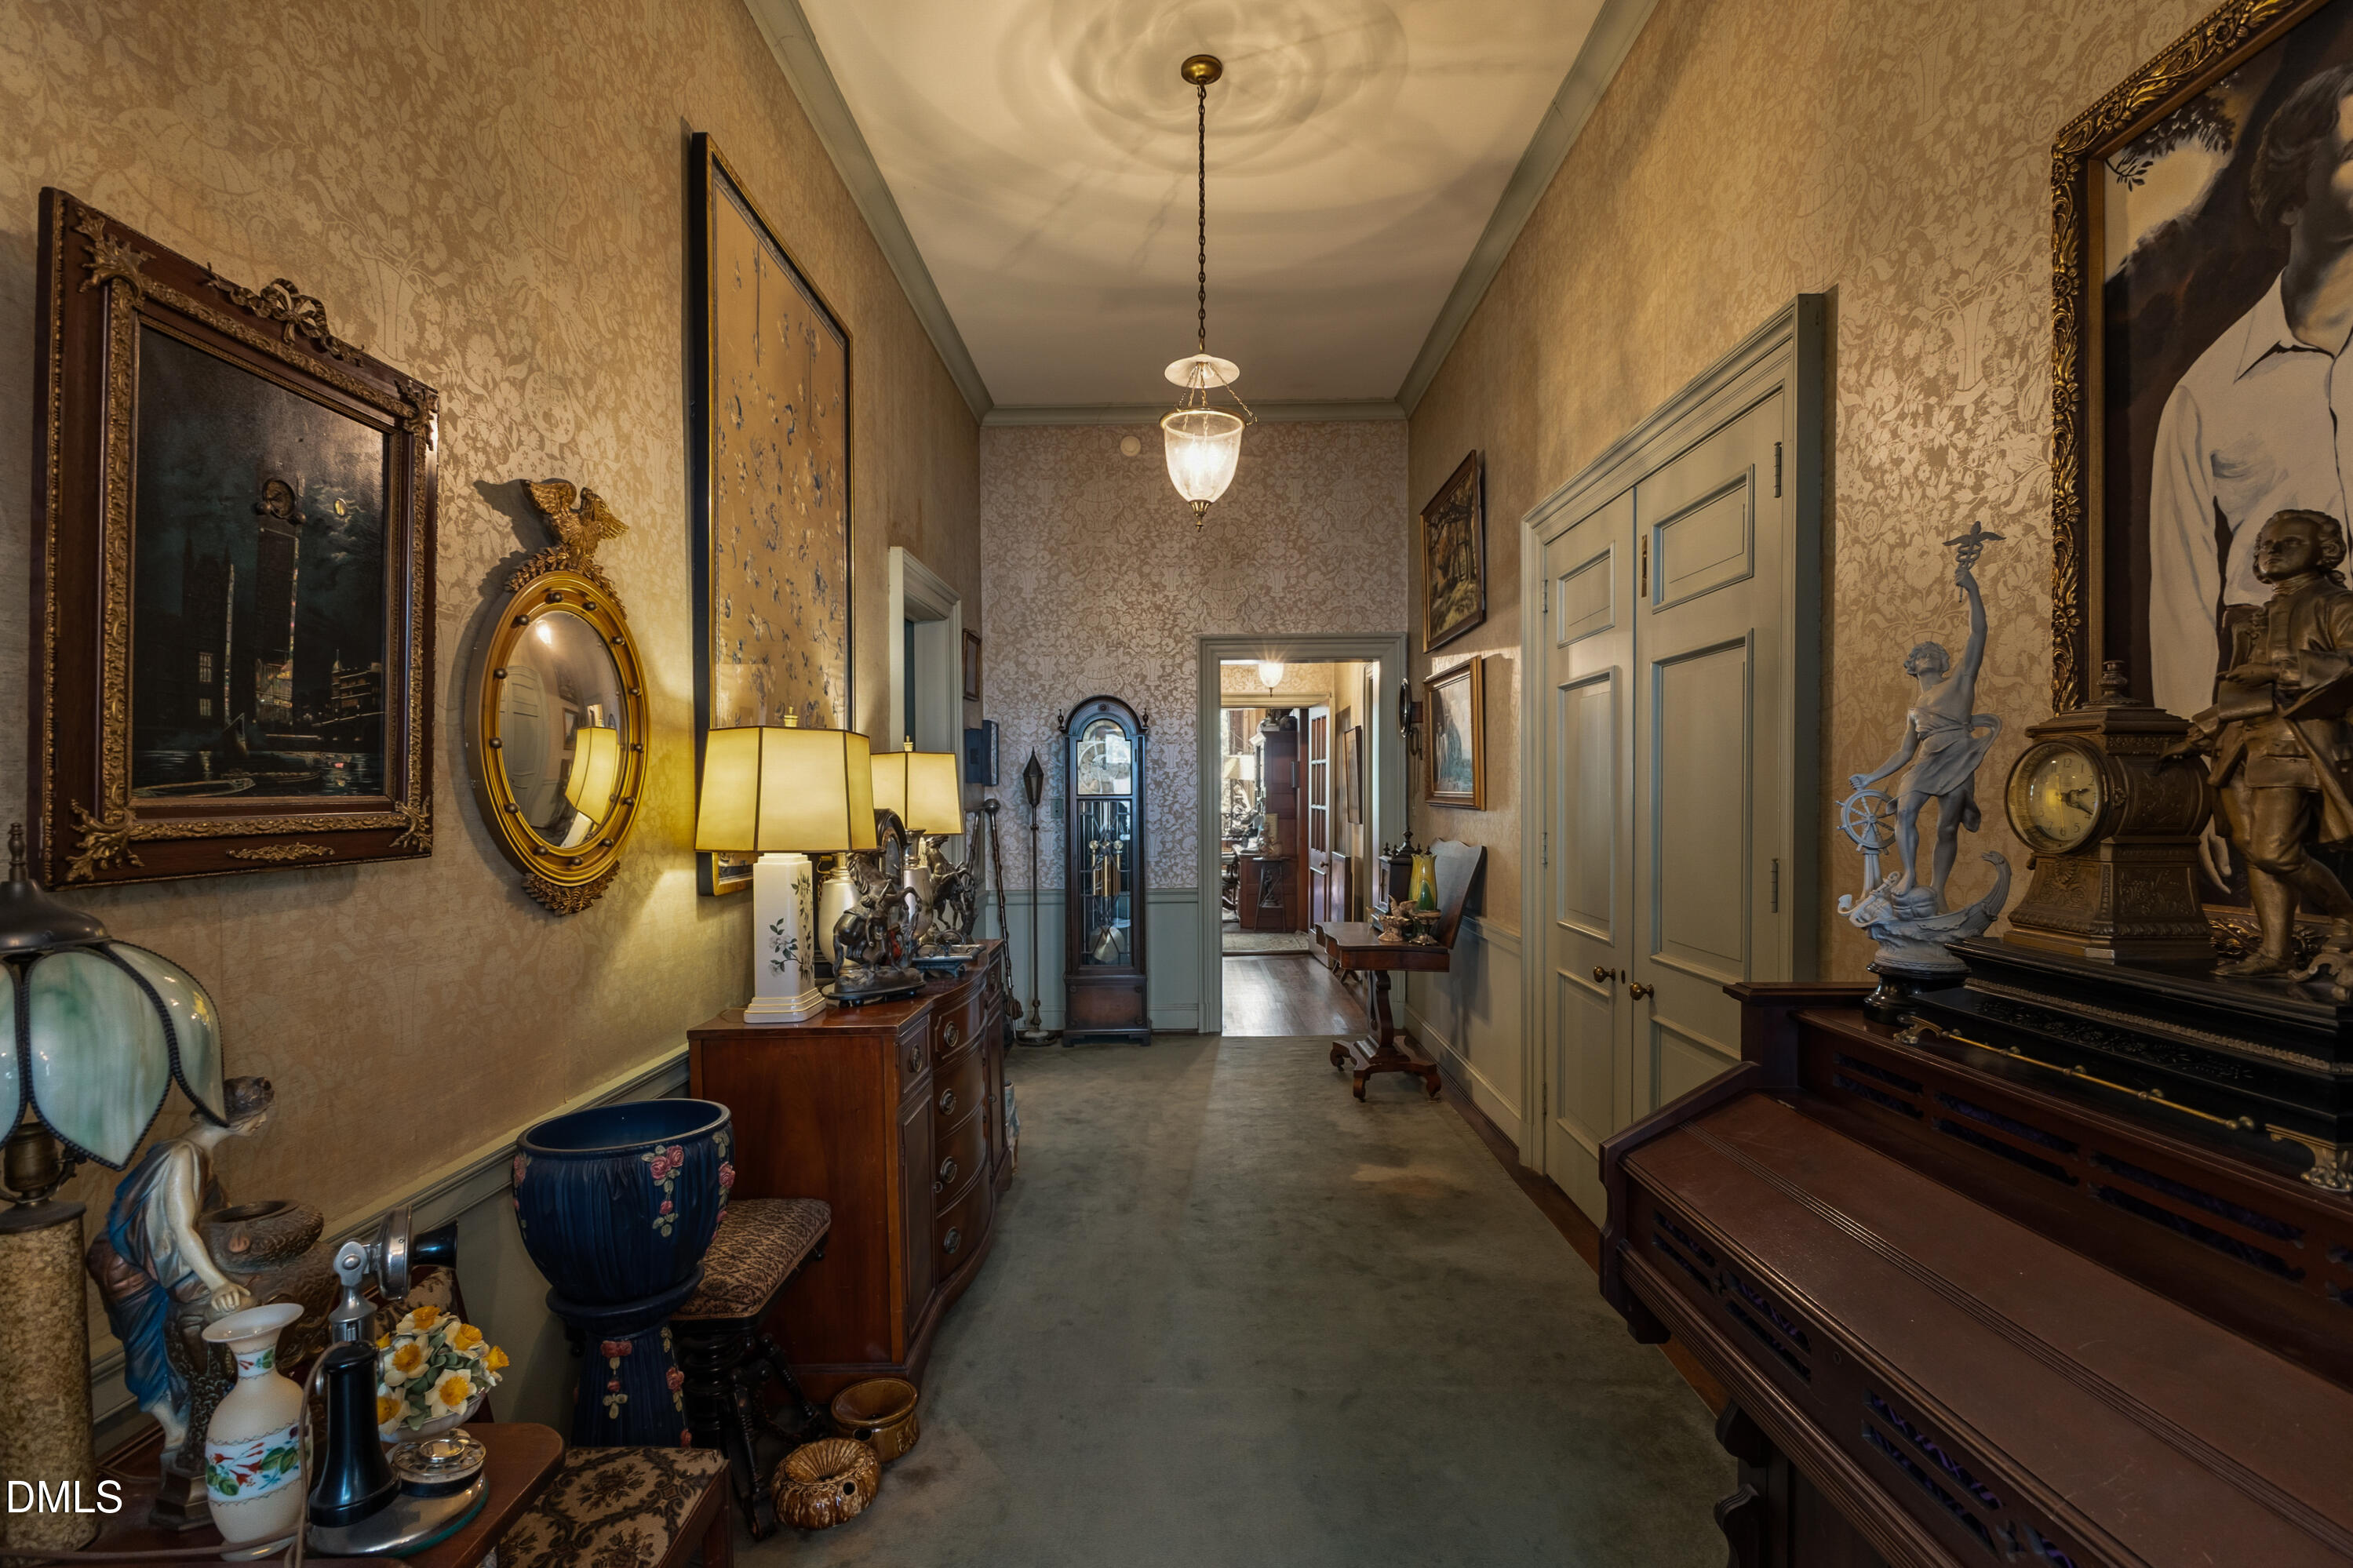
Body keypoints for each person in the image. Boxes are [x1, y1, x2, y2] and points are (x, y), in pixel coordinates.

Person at [2149, 63, 2353, 729]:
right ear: (2293, 197)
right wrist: (2194, 791)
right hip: (2279, 727)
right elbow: (2180, 609)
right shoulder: (2201, 397)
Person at [2184, 509, 2353, 975]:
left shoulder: (2336, 604)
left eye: (2289, 543)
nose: (2271, 550)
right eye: (2265, 544)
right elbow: (2247, 691)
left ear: (2326, 552)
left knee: (2273, 850)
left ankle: (2347, 915)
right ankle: (2274, 952)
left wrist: (2279, 670)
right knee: (2252, 851)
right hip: (2241, 745)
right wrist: (2206, 726)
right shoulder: (2257, 616)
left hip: (2293, 748)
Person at [86, 1077, 273, 1456]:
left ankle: (208, 1413)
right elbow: (180, 1229)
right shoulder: (180, 1156)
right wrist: (217, 1283)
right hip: (130, 1268)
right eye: (258, 1114)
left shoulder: (201, 1154)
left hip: (157, 1260)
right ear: (231, 1119)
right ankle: (176, 1429)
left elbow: (211, 1216)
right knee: (149, 1347)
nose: (264, 1121)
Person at [1849, 560, 2001, 902]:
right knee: (1904, 809)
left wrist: (1973, 589)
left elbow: (1979, 633)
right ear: (1912, 667)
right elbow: (1905, 752)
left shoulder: (1961, 681)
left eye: (1936, 653)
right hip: (1928, 759)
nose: (1929, 655)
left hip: (1959, 754)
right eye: (1922, 654)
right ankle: (1910, 875)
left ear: (1946, 663)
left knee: (1947, 826)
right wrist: (1871, 778)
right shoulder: (1914, 712)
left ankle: (1938, 890)